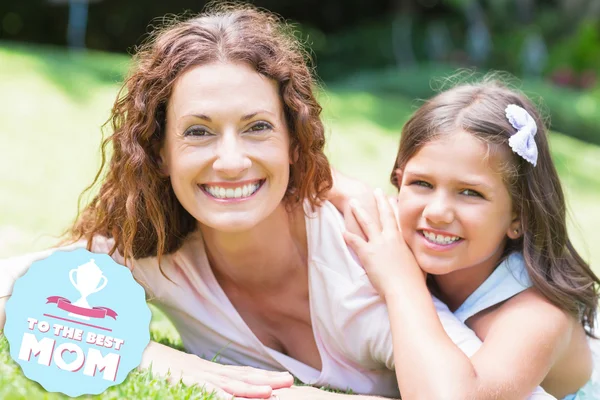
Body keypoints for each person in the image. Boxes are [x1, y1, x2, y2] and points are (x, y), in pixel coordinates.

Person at [0, 5, 554, 400]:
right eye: (198, 132)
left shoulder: (361, 262)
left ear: (294, 141)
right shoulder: (154, 248)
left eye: (258, 127)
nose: (232, 160)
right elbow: (14, 292)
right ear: (159, 153)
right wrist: (153, 356)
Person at [344, 80, 600, 399]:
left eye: (470, 193)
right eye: (421, 183)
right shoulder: (405, 227)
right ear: (399, 183)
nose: (437, 212)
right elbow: (339, 189)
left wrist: (401, 283)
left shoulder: (538, 314)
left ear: (517, 217)